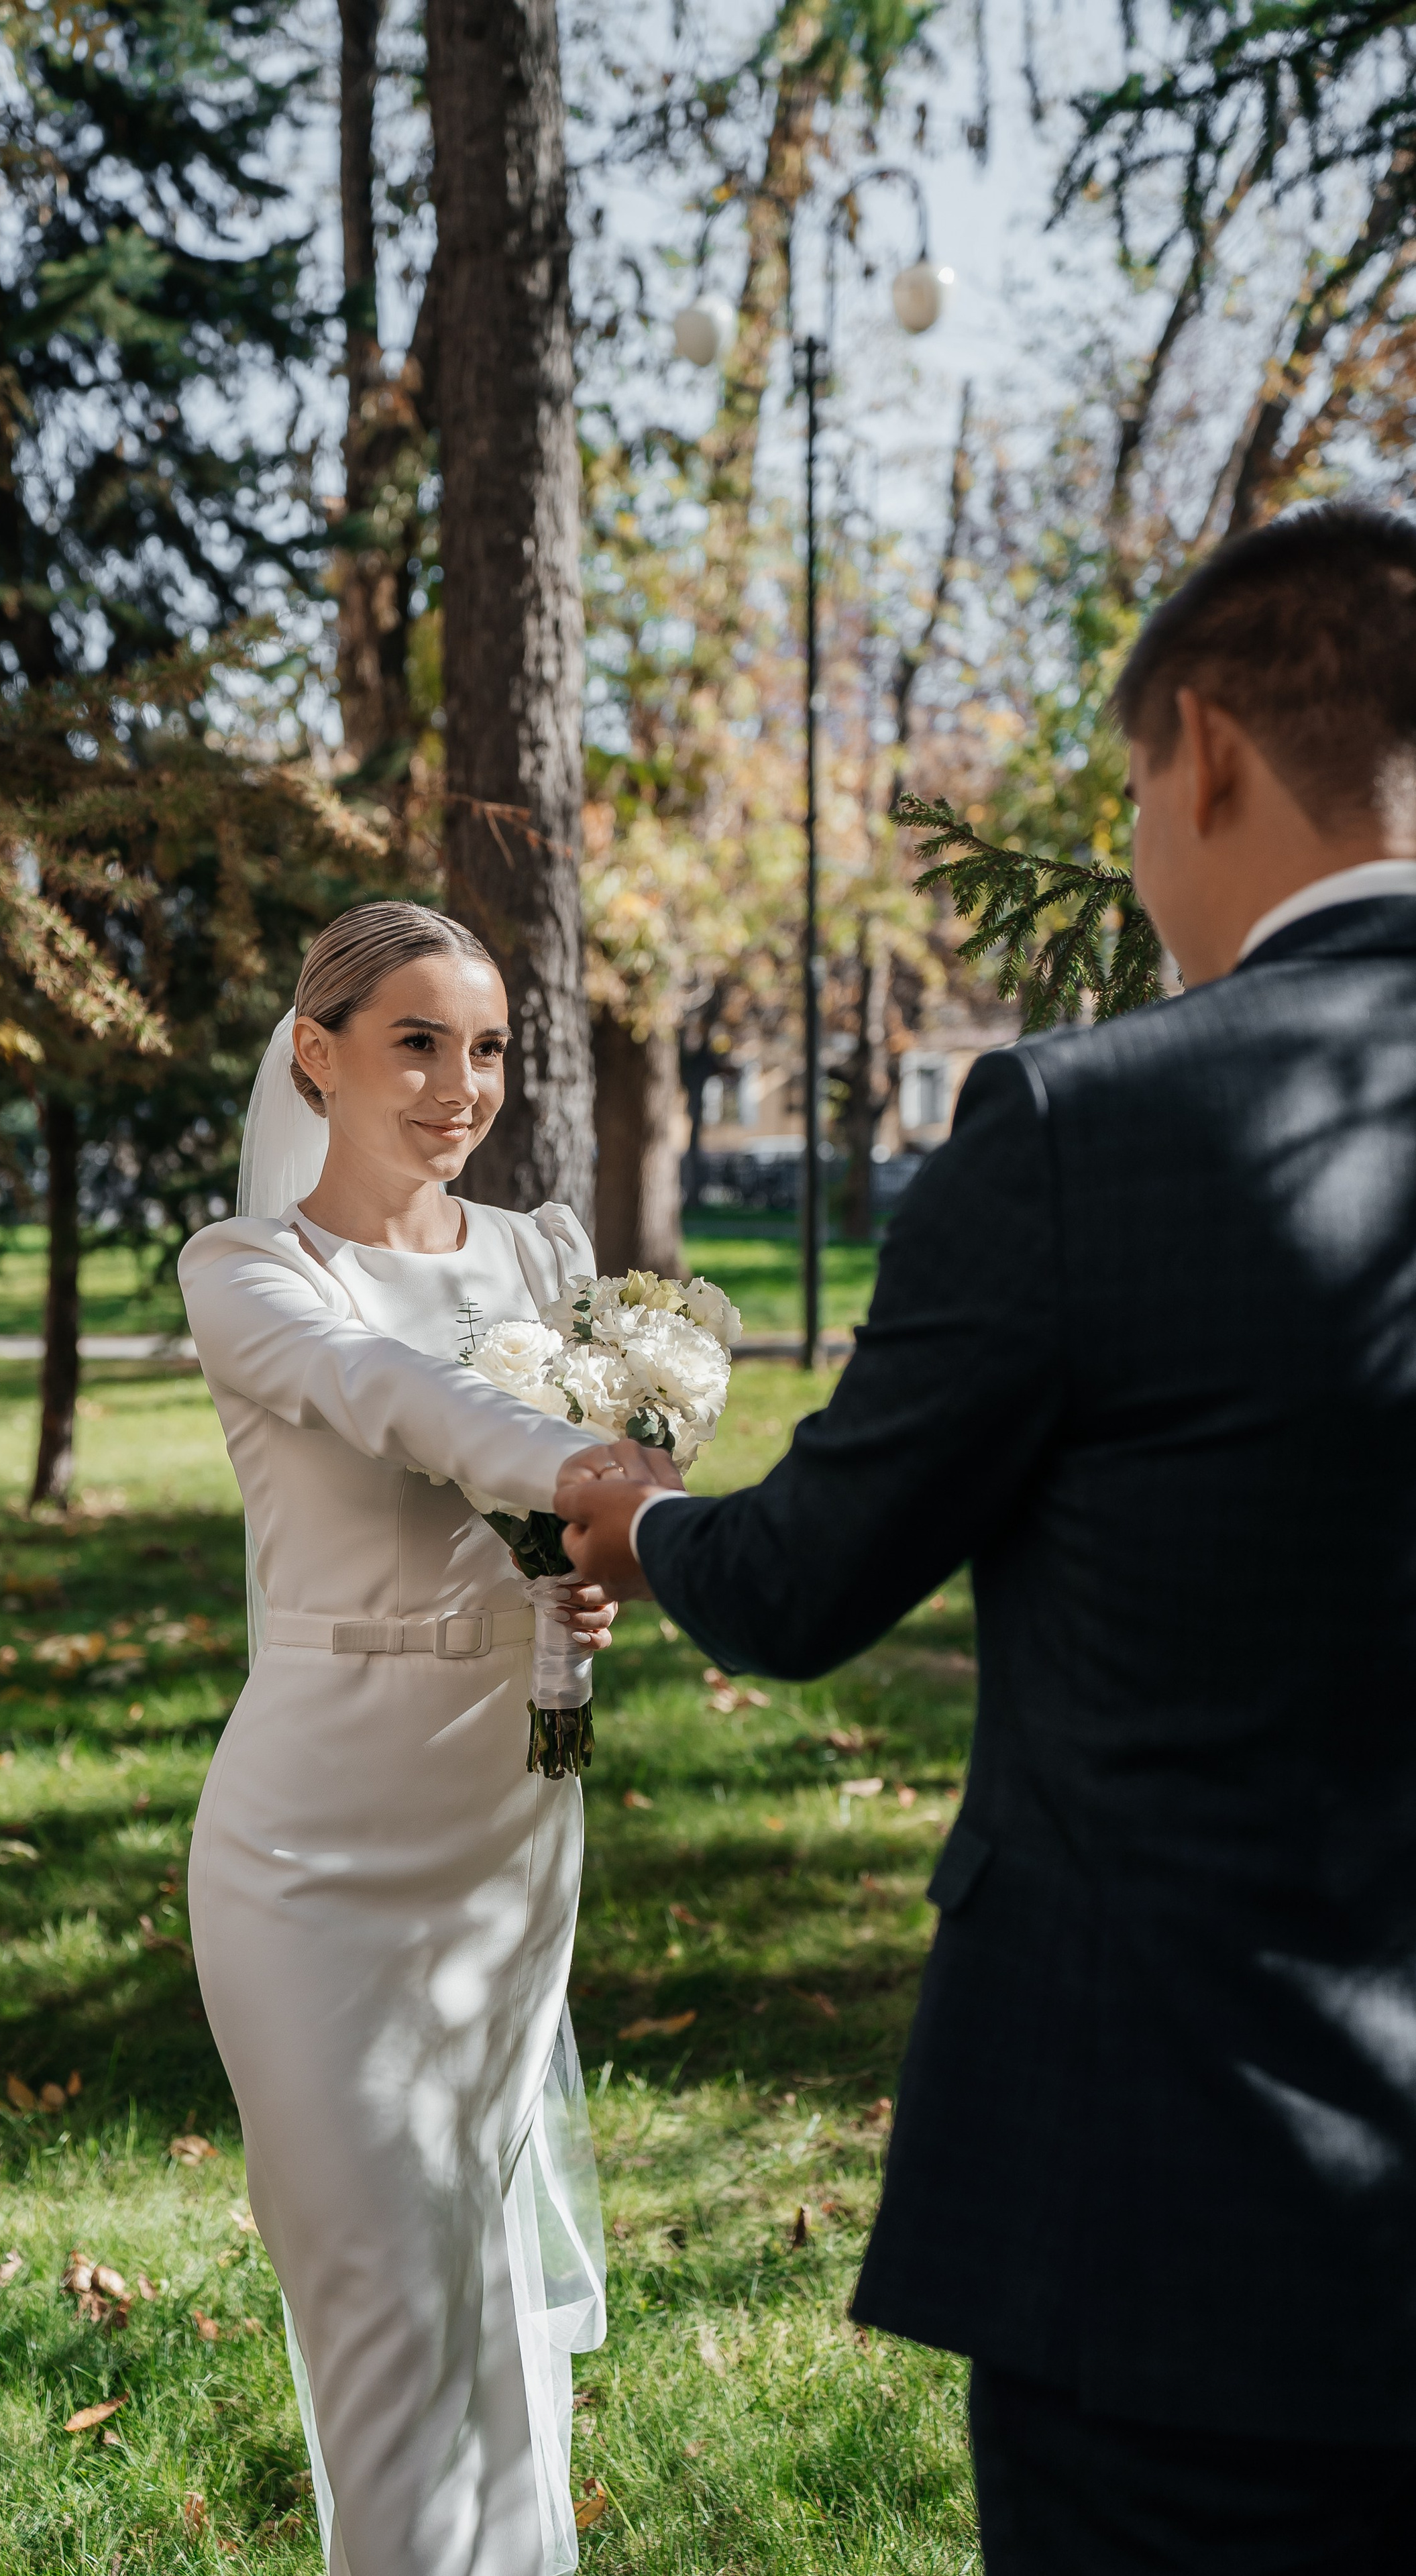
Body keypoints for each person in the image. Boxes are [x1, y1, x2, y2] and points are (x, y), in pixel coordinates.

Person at [556, 503, 1416, 2571]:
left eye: (1133, 792)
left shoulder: (1085, 1126)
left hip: (1181, 2219)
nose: (1138, 849)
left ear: (1203, 750)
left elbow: (802, 1585)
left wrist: (631, 1511)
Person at [179, 902, 620, 2576]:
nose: (459, 1085)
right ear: (318, 1050)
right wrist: (590, 1482)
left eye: (487, 1046)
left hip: (506, 1820)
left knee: (478, 2272)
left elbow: (547, 1528)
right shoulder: (248, 1272)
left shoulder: (546, 1261)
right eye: (415, 1041)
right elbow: (392, 1400)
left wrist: (576, 1583)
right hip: (311, 1845)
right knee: (375, 2292)